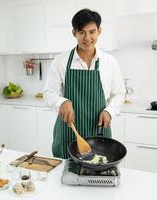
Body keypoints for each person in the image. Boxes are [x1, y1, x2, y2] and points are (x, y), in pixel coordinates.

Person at [43, 8, 125, 159]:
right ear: (74, 33)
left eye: (92, 32)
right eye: (82, 32)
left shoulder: (109, 62)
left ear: (99, 31)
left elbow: (119, 93)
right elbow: (48, 93)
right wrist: (62, 102)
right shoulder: (60, 61)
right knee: (64, 177)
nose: (87, 38)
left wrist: (110, 111)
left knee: (98, 169)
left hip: (98, 133)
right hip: (68, 132)